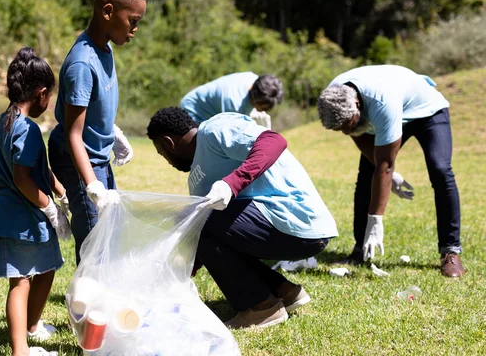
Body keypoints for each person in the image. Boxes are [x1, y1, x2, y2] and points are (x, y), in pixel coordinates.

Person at [146, 107, 338, 329]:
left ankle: (260, 308)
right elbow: (210, 240)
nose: (167, 161)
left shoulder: (214, 130)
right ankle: (283, 291)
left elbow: (273, 141)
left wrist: (232, 183)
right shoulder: (196, 181)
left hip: (299, 222)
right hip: (281, 232)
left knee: (198, 217)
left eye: (162, 153)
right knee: (197, 218)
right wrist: (187, 268)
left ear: (168, 143)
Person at [317, 64, 465, 277]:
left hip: (427, 111)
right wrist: (388, 174)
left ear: (357, 104)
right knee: (366, 174)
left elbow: (385, 166)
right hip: (388, 106)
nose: (347, 132)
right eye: (341, 129)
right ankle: (360, 250)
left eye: (349, 124)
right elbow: (361, 139)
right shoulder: (335, 97)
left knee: (440, 169)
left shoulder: (381, 103)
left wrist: (376, 220)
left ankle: (450, 251)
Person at [48, 0, 147, 265]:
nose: (136, 29)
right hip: (79, 159)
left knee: (110, 233)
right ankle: (87, 308)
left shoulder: (105, 49)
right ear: (108, 12)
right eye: (133, 20)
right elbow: (72, 133)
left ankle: (101, 301)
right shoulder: (82, 63)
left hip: (96, 155)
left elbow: (95, 107)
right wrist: (92, 186)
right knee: (95, 242)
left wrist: (110, 132)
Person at [0, 47, 70, 356]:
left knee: (47, 268)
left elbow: (37, 167)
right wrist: (49, 208)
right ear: (41, 93)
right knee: (20, 281)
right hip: (21, 216)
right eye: (49, 97)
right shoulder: (27, 129)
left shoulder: (5, 121)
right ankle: (20, 350)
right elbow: (23, 178)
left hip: (18, 216)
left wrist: (60, 191)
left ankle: (32, 327)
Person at [179, 72, 284, 128]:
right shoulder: (233, 104)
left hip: (214, 107)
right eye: (262, 108)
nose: (262, 111)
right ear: (255, 100)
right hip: (194, 110)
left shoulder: (253, 78)